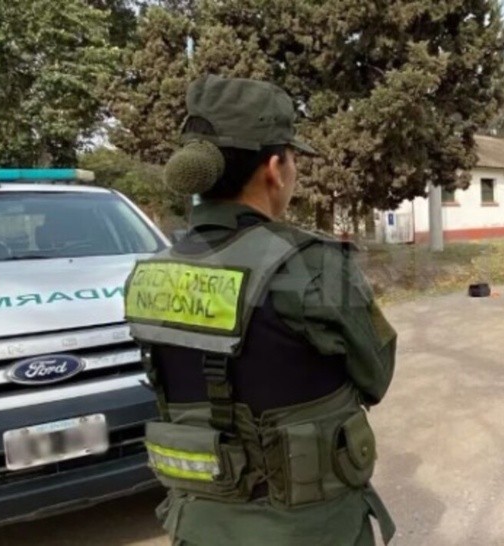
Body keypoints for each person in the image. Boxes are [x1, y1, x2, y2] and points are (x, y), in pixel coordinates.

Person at [122, 75, 397, 546]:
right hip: (313, 531)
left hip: (199, 529)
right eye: (293, 159)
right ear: (275, 167)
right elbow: (375, 375)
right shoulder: (317, 266)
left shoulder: (147, 275)